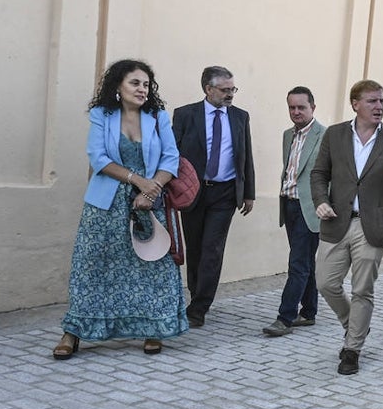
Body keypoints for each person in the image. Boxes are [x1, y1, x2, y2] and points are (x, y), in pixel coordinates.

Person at [53, 59, 188, 359]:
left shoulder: (158, 117)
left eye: (146, 84)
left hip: (150, 202)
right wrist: (137, 180)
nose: (142, 89)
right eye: (135, 83)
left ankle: (154, 328)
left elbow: (171, 158)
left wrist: (150, 190)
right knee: (92, 266)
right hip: (106, 204)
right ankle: (73, 332)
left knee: (153, 264)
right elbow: (98, 157)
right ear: (118, 86)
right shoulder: (102, 115)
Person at [310, 79, 383, 375]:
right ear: (355, 104)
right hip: (336, 222)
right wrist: (320, 200)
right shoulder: (334, 135)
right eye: (372, 101)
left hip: (372, 226)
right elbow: (319, 173)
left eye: (382, 101)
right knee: (326, 283)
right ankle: (355, 325)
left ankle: (352, 349)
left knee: (362, 290)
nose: (379, 106)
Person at [172, 65, 256, 328]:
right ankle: (196, 292)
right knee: (194, 247)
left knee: (212, 249)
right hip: (193, 191)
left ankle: (199, 307)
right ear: (208, 89)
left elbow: (246, 156)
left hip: (225, 193)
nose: (230, 94)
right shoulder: (185, 115)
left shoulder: (240, 117)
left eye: (233, 89)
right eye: (225, 89)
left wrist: (249, 193)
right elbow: (173, 153)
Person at [262, 87, 326, 337]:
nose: (296, 112)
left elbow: (330, 176)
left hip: (309, 208)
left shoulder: (325, 136)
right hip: (288, 204)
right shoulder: (287, 135)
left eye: (302, 107)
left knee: (297, 263)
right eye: (292, 107)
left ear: (313, 107)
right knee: (305, 260)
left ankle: (285, 317)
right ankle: (309, 311)